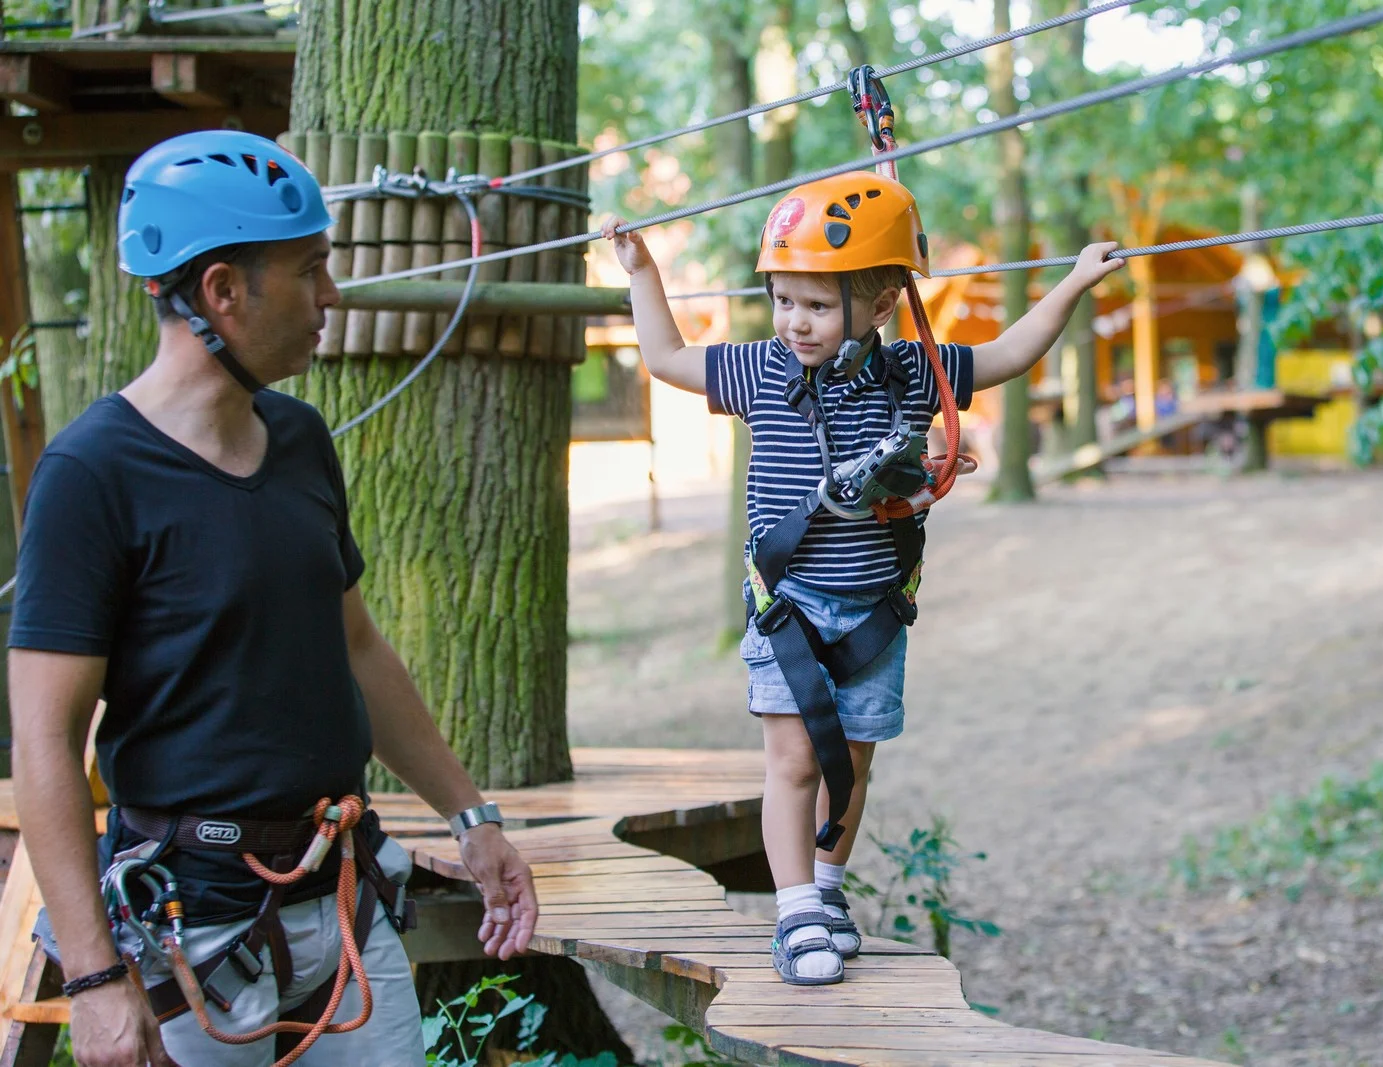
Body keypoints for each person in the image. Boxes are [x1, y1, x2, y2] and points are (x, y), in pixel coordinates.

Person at [7, 130, 538, 1067]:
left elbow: (357, 647)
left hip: (343, 902)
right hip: (195, 931)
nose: (333, 295)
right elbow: (46, 739)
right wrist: (92, 978)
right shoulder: (92, 475)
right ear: (222, 290)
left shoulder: (298, 438)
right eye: (309, 269)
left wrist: (472, 817)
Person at [603, 172, 1122, 985]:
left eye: (815, 305)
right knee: (793, 761)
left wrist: (1075, 281)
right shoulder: (760, 369)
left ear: (881, 305)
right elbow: (666, 357)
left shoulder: (913, 372)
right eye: (783, 300)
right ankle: (794, 913)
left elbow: (1009, 353)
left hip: (875, 611)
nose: (794, 321)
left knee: (851, 761)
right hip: (791, 609)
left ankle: (827, 889)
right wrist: (642, 272)